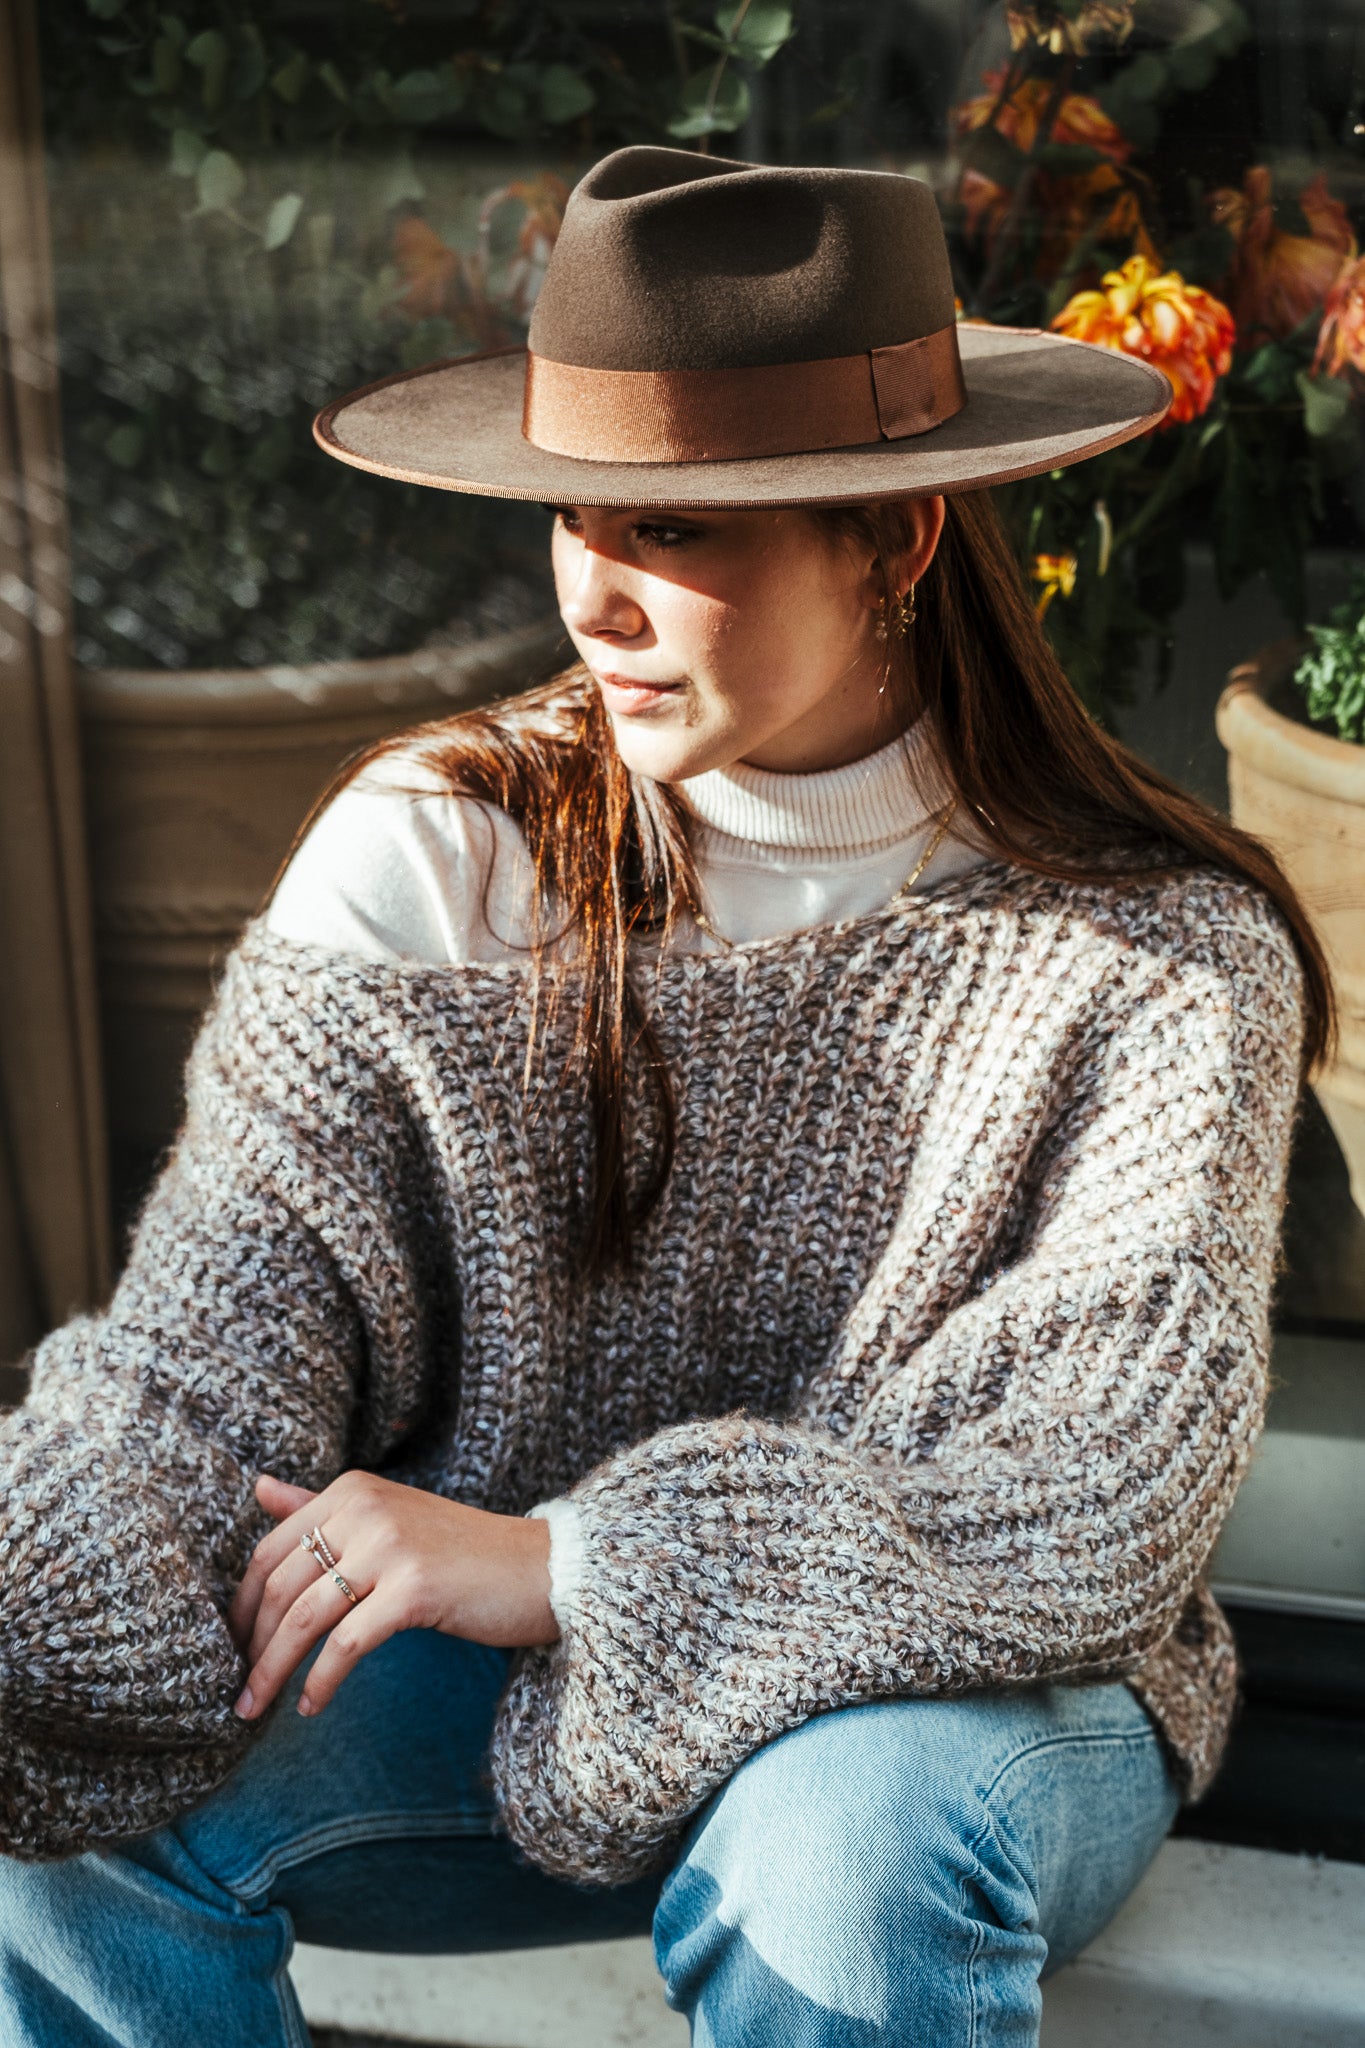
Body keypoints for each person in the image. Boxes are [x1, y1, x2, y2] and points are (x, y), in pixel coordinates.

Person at [0, 148, 1332, 2047]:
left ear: (896, 538)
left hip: (973, 1689)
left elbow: (1079, 1497)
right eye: (571, 518)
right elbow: (209, 1368)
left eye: (679, 534)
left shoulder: (1159, 955)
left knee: (837, 1858)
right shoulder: (437, 853)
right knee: (64, 1811)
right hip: (510, 1687)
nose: (595, 601)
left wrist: (577, 1559)